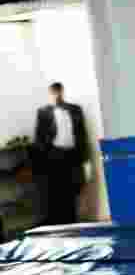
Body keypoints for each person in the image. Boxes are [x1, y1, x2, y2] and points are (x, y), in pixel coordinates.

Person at [33, 82, 89, 225]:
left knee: (73, 190)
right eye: (53, 92)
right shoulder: (43, 112)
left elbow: (82, 135)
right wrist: (42, 163)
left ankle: (73, 222)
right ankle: (59, 224)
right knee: (56, 192)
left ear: (62, 92)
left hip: (72, 155)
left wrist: (85, 160)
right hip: (54, 156)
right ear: (50, 93)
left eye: (59, 91)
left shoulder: (75, 110)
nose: (57, 95)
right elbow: (39, 137)